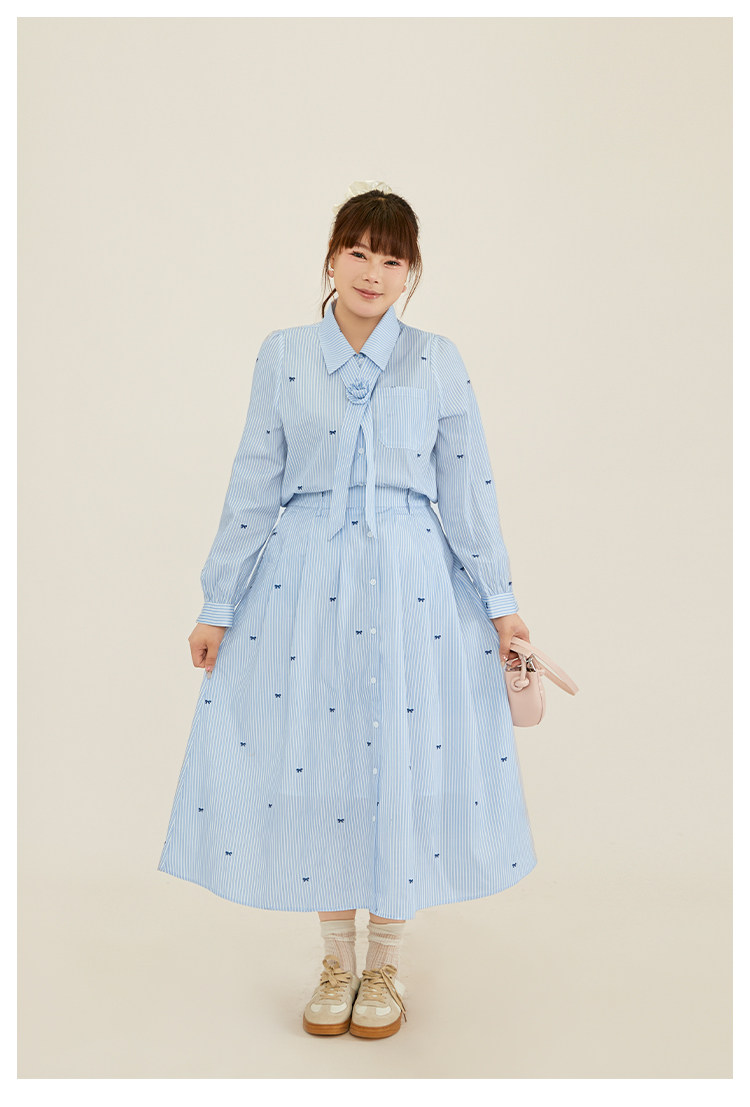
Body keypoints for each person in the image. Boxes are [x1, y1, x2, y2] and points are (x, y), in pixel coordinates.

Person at [158, 181, 536, 1039]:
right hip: (302, 578)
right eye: (359, 252)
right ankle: (335, 958)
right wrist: (218, 599)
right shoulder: (284, 353)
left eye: (392, 259)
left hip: (412, 579)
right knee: (319, 756)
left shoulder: (437, 359)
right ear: (331, 258)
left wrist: (501, 602)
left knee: (401, 754)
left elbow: (467, 488)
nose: (373, 271)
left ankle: (385, 963)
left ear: (411, 273)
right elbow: (254, 478)